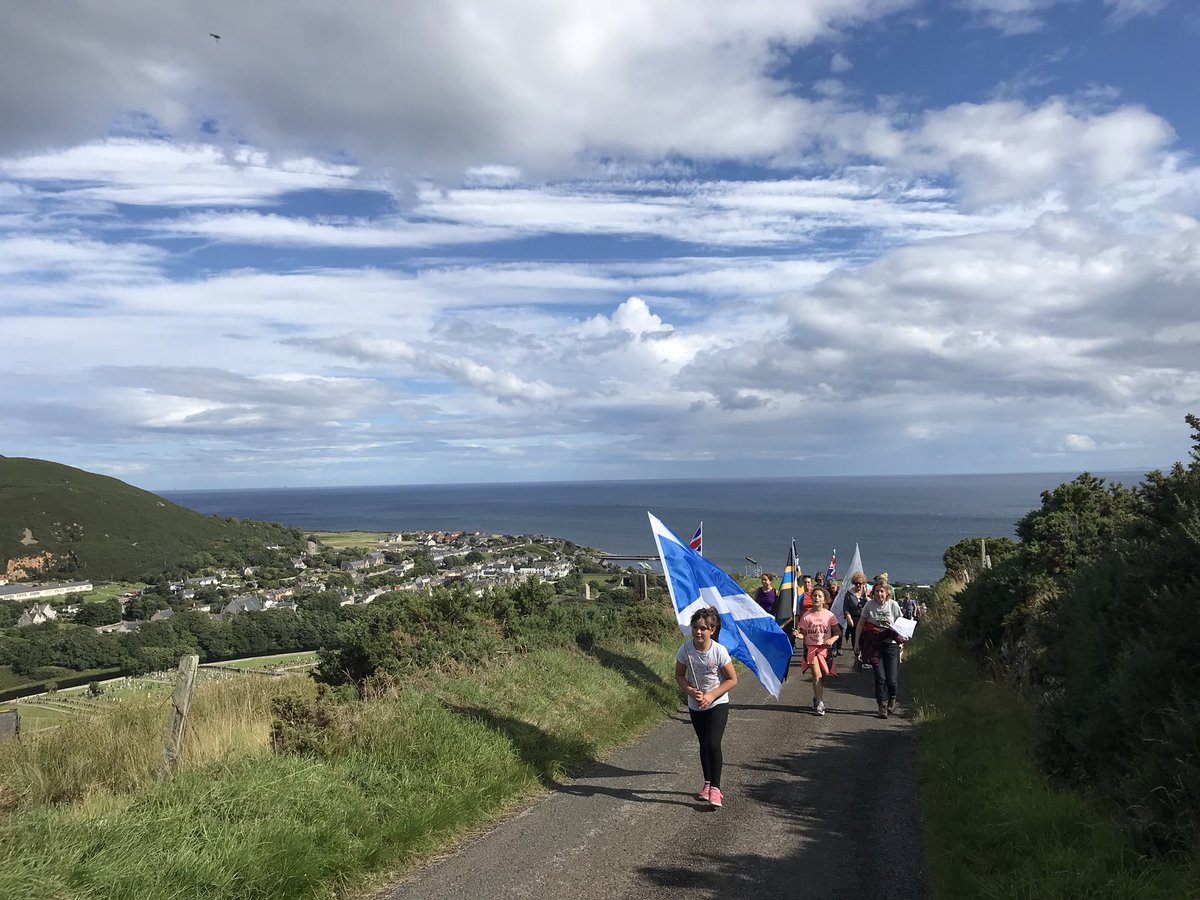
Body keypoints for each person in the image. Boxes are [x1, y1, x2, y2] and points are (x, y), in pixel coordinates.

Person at [675, 606, 737, 808]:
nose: (698, 632)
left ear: (712, 630)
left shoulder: (718, 651)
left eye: (703, 628)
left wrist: (711, 695)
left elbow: (731, 679)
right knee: (703, 744)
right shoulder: (685, 650)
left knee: (713, 742)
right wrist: (690, 691)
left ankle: (716, 789)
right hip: (696, 704)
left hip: (717, 702)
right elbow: (679, 675)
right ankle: (707, 783)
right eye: (695, 627)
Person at [855, 577, 904, 718]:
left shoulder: (893, 605)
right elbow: (860, 624)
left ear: (887, 592)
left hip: (891, 645)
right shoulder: (869, 605)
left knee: (892, 679)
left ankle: (892, 698)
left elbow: (901, 625)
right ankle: (882, 705)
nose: (879, 594)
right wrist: (857, 643)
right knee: (880, 677)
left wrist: (902, 644)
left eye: (881, 591)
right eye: (876, 591)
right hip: (874, 645)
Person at [792, 586, 840, 716]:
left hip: (825, 649)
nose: (816, 598)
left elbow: (837, 632)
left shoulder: (830, 615)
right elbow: (803, 634)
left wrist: (832, 640)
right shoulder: (806, 616)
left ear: (825, 599)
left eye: (819, 596)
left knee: (822, 676)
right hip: (811, 649)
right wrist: (798, 635)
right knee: (816, 674)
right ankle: (820, 702)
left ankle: (816, 695)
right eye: (814, 596)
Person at [843, 572, 868, 666]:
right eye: (856, 583)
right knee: (855, 638)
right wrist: (848, 617)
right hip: (854, 618)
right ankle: (857, 655)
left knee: (865, 638)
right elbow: (845, 607)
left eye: (860, 583)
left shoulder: (865, 594)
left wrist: (865, 596)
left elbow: (870, 604)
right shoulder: (849, 594)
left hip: (864, 619)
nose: (858, 585)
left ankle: (864, 656)